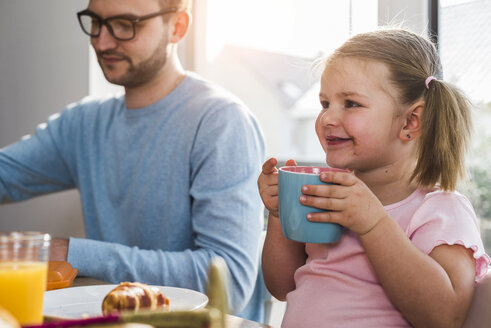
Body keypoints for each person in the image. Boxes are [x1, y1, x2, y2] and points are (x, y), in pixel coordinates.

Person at [0, 0, 265, 319]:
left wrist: (72, 252)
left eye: (125, 25)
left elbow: (230, 285)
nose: (102, 41)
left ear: (178, 27)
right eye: (95, 22)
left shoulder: (221, 122)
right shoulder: (84, 124)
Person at [258, 28, 490, 327]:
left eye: (351, 103)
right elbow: (283, 287)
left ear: (410, 121)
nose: (327, 118)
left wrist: (373, 223)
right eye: (325, 104)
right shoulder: (329, 194)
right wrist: (279, 215)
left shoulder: (441, 211)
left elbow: (444, 317)